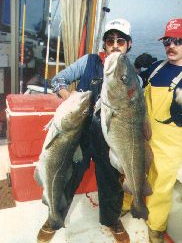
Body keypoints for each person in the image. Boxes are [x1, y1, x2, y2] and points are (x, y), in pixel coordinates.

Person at [37, 18, 132, 243]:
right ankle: (54, 218)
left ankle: (111, 220)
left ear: (129, 44)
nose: (115, 44)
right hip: (78, 134)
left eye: (121, 40)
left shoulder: (131, 75)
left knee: (110, 181)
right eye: (110, 40)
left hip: (109, 137)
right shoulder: (88, 62)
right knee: (67, 177)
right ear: (105, 44)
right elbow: (58, 80)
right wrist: (68, 99)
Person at [144, 18, 182, 243]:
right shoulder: (155, 67)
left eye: (178, 41)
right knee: (135, 172)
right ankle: (128, 204)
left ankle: (156, 227)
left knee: (162, 185)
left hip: (171, 141)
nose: (171, 46)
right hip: (145, 132)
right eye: (167, 41)